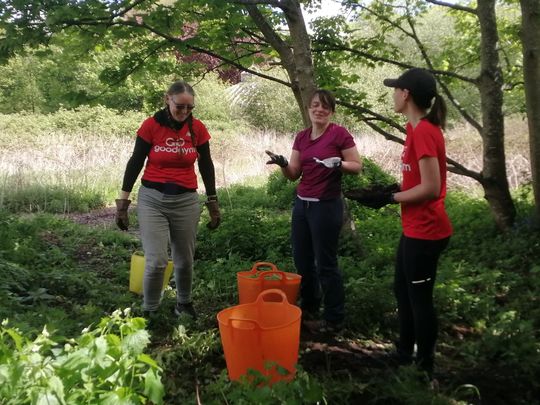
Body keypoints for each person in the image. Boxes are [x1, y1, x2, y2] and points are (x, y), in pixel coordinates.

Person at [344, 68, 452, 380]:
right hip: (415, 229)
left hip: (427, 232)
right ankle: (405, 353)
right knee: (402, 291)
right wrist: (390, 190)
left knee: (419, 298)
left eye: (396, 90)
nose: (392, 94)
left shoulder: (424, 132)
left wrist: (391, 200)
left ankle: (424, 367)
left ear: (406, 94)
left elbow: (431, 188)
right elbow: (419, 180)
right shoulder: (415, 129)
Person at [115, 80, 221, 320]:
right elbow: (135, 162)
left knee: (185, 260)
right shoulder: (150, 126)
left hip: (186, 201)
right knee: (157, 261)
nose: (184, 112)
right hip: (152, 199)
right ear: (167, 99)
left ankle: (184, 303)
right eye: (179, 106)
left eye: (189, 108)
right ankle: (150, 310)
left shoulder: (198, 129)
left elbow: (206, 165)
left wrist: (213, 202)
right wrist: (123, 203)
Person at [266, 89, 362, 333]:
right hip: (302, 205)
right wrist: (283, 164)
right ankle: (310, 308)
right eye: (316, 105)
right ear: (309, 108)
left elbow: (357, 166)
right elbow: (294, 174)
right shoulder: (302, 137)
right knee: (302, 260)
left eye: (326, 107)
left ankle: (334, 319)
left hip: (326, 206)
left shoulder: (339, 134)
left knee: (325, 264)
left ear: (331, 111)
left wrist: (339, 163)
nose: (320, 109)